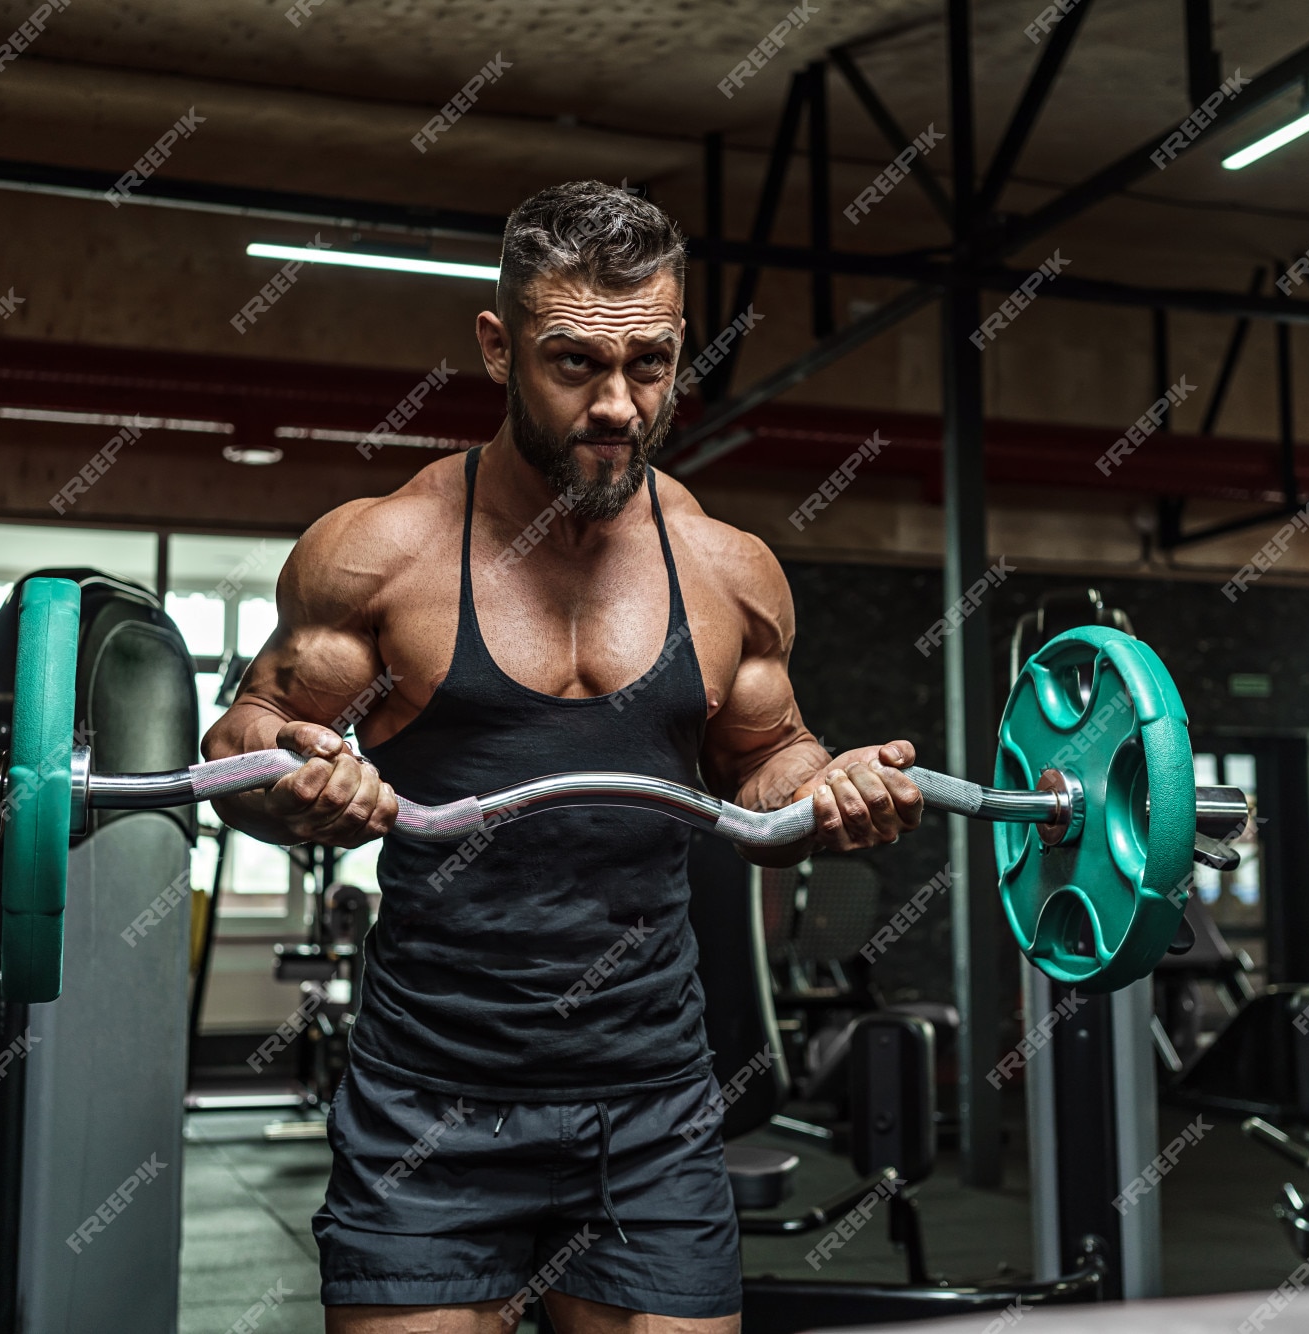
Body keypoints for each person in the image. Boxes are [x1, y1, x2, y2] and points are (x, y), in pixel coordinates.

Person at [204, 180, 924, 1334]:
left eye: (650, 363)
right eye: (575, 363)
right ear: (496, 346)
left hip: (649, 1105)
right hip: (427, 1102)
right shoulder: (381, 550)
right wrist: (287, 769)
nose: (620, 405)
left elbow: (768, 755)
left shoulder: (727, 568)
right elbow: (243, 732)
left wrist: (824, 786)